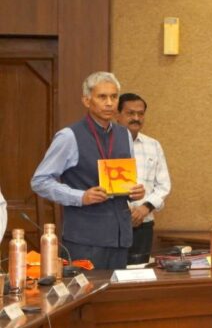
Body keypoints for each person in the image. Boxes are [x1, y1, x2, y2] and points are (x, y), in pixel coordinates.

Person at [31, 72, 145, 268]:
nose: (109, 103)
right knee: (87, 289)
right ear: (86, 100)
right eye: (102, 97)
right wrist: (80, 196)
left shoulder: (124, 134)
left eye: (114, 96)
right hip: (85, 239)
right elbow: (40, 181)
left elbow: (124, 179)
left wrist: (135, 192)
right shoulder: (69, 136)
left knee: (117, 289)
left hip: (121, 237)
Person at [117, 93, 172, 266]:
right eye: (130, 113)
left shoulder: (153, 145)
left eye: (140, 114)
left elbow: (164, 185)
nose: (136, 118)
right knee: (108, 274)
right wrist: (126, 211)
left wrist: (145, 208)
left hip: (144, 224)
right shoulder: (106, 144)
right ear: (117, 115)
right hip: (112, 224)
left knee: (139, 274)